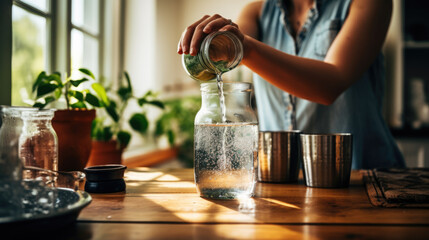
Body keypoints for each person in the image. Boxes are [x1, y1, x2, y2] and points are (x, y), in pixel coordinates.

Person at [177, 0, 405, 169]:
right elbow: (232, 48)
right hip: (284, 181)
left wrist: (246, 48)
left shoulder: (368, 4)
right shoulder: (257, 12)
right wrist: (215, 43)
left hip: (363, 177)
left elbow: (331, 84)